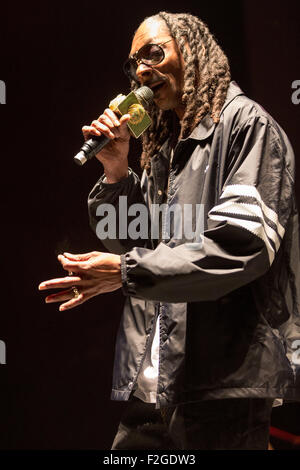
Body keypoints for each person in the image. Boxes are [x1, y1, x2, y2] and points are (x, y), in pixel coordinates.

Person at [39, 12, 300, 450]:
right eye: (133, 63)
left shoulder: (246, 127)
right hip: (157, 382)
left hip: (221, 383)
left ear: (193, 52)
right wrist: (118, 171)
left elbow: (240, 249)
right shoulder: (165, 147)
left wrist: (123, 272)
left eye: (153, 53)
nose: (141, 70)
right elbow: (141, 243)